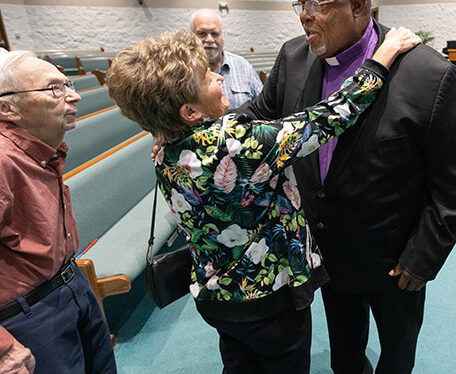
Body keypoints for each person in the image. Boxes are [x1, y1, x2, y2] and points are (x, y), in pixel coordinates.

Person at [106, 28, 420, 373]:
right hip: (266, 299)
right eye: (205, 77)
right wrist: (381, 58)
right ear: (189, 111)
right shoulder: (237, 144)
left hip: (216, 297)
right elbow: (330, 117)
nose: (216, 75)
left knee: (240, 364)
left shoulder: (164, 149)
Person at [237, 0, 456, 374]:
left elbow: (453, 179)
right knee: (345, 356)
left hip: (395, 258)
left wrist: (425, 255)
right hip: (326, 251)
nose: (304, 18)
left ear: (358, 5)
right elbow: (257, 115)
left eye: (316, 5)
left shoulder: (427, 74)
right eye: (300, 6)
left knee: (396, 357)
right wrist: (193, 133)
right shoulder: (293, 58)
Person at [0, 49, 117, 374]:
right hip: (29, 313)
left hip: (70, 284)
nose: (74, 96)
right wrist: (3, 348)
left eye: (67, 84)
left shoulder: (41, 147)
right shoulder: (3, 160)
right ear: (7, 107)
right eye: (55, 89)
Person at [190, 9, 264, 108]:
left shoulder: (243, 66)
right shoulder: (183, 70)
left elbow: (263, 106)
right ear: (191, 37)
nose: (210, 39)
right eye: (202, 34)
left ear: (222, 37)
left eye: (215, 34)